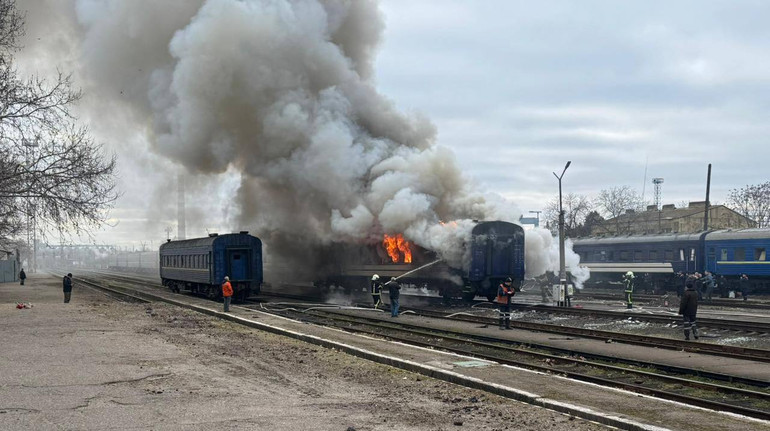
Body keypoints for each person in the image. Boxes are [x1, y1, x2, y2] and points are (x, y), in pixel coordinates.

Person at [678, 276, 699, 340]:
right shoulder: (695, 293)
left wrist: (680, 311)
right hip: (693, 311)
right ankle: (696, 334)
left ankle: (687, 336)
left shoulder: (686, 293)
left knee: (686, 324)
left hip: (686, 311)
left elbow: (683, 303)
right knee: (693, 323)